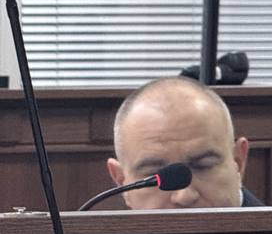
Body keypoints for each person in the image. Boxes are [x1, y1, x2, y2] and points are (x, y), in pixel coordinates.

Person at [107, 76, 262, 208]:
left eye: (203, 166)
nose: (184, 197)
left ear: (238, 163)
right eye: (155, 175)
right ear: (121, 181)